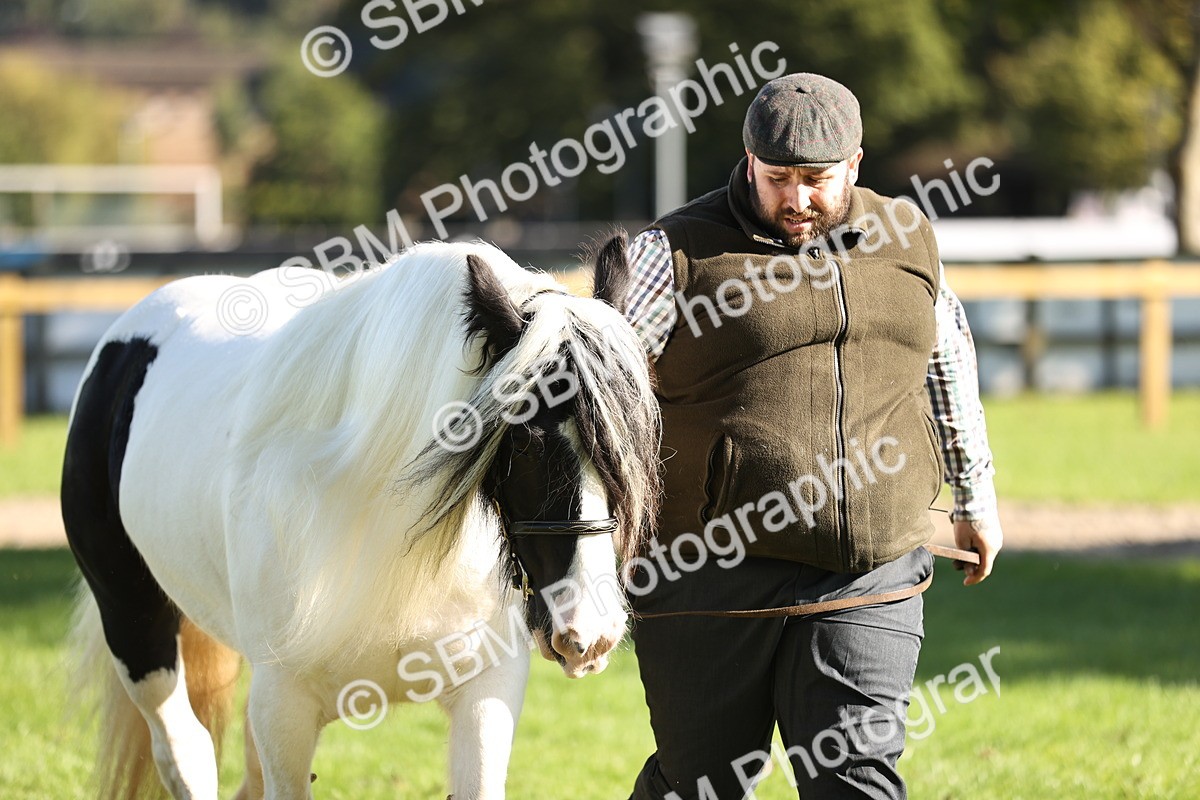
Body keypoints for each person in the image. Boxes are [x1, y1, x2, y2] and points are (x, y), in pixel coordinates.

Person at [622, 73, 1004, 799]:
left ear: (855, 164)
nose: (796, 199)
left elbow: (946, 359)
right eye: (777, 179)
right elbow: (607, 399)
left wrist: (974, 496)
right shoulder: (672, 251)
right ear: (746, 159)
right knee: (699, 784)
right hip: (709, 573)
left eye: (816, 179)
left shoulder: (908, 235)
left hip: (868, 570)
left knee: (854, 780)